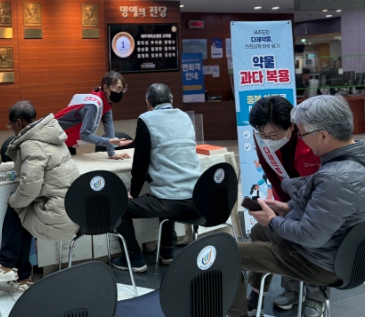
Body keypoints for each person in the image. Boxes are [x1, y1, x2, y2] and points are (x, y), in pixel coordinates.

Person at [228, 95, 365, 317]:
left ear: (323, 135)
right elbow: (324, 206)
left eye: (303, 133)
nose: (302, 138)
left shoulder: (335, 177)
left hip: (316, 259)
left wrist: (273, 220)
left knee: (226, 255)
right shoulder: (353, 159)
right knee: (259, 231)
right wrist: (288, 208)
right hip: (335, 249)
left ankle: (240, 314)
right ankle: (259, 293)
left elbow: (310, 236)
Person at [0, 101, 79, 293]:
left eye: (10, 125)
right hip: (72, 209)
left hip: (57, 216)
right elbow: (36, 163)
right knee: (23, 216)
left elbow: (30, 187)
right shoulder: (49, 135)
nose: (11, 129)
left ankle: (6, 265)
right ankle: (22, 276)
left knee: (16, 207)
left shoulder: (30, 144)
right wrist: (3, 167)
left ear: (19, 123)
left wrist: (13, 201)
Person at [113, 83, 201, 272]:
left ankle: (134, 259)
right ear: (171, 100)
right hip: (197, 198)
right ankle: (167, 252)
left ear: (148, 103)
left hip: (170, 201)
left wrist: (133, 192)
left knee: (118, 206)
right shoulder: (185, 117)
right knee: (166, 190)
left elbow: (140, 162)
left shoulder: (146, 119)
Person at [249, 96, 323, 314]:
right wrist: (284, 205)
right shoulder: (262, 135)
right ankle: (291, 289)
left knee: (314, 239)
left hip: (317, 196)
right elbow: (270, 171)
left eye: (273, 135)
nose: (267, 139)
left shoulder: (312, 137)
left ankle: (316, 297)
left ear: (292, 125)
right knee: (283, 233)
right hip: (286, 193)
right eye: (263, 134)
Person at [54, 71, 132, 159]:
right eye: (117, 89)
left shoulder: (107, 102)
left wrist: (112, 153)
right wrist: (109, 141)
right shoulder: (93, 105)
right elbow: (85, 135)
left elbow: (109, 128)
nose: (120, 92)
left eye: (122, 90)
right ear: (106, 87)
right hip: (54, 141)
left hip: (66, 142)